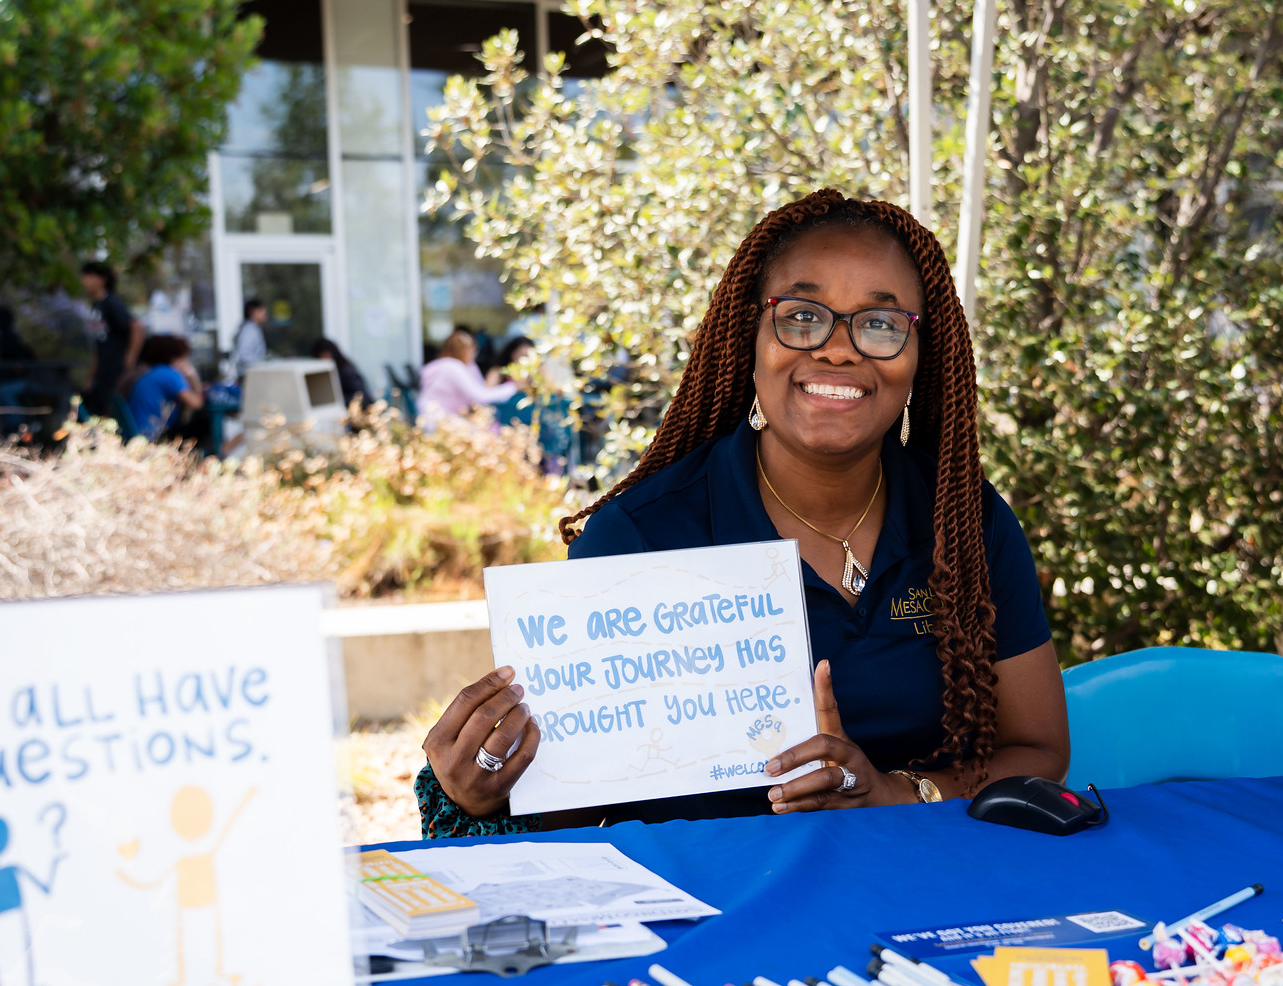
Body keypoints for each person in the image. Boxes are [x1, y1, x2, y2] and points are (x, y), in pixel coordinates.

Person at [414, 188, 1070, 836]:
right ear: (749, 333)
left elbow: (1038, 752)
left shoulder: (967, 521)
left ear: (920, 355)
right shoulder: (640, 539)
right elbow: (573, 813)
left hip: (922, 891)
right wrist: (482, 792)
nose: (839, 349)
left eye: (880, 323)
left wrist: (898, 793)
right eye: (803, 315)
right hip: (712, 917)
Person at [79, 261, 142, 418]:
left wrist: (131, 356)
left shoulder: (111, 303)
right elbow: (98, 344)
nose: (84, 281)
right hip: (103, 371)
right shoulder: (95, 306)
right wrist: (91, 376)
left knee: (112, 411)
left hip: (117, 369)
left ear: (102, 279)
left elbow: (137, 327)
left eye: (89, 276)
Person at [416, 328, 518, 425]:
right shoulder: (452, 367)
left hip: (436, 417)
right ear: (464, 350)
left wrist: (471, 365)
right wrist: (513, 387)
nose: (474, 355)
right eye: (472, 350)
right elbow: (479, 396)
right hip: (440, 419)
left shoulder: (447, 365)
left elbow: (480, 388)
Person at [126, 334, 207, 441]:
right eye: (184, 358)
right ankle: (215, 455)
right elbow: (197, 403)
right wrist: (193, 376)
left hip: (139, 431)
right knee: (205, 424)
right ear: (175, 358)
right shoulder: (169, 373)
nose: (187, 362)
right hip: (151, 434)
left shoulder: (156, 372)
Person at [313, 337, 371, 408]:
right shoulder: (340, 369)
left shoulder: (346, 371)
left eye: (325, 356)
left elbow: (363, 397)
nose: (324, 360)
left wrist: (337, 401)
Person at [232, 298, 269, 379]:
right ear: (253, 312)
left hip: (252, 374)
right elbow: (244, 354)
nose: (265, 314)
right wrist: (260, 364)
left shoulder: (254, 328)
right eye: (261, 311)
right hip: (249, 375)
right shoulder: (249, 330)